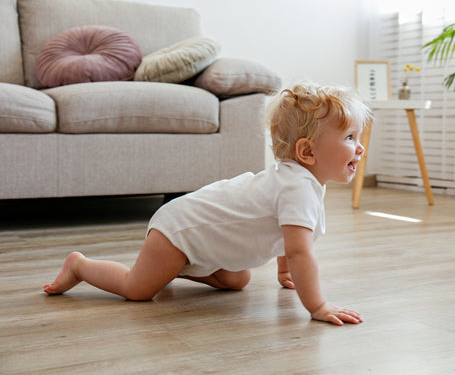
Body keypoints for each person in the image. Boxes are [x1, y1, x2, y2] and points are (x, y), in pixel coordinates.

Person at [44, 82, 372, 326]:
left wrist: (283, 268)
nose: (359, 148)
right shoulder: (297, 187)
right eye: (349, 138)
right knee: (138, 289)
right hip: (179, 228)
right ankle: (81, 266)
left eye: (357, 137)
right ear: (308, 153)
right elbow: (301, 250)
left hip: (201, 236)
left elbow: (288, 239)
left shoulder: (304, 183)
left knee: (236, 280)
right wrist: (317, 306)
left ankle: (170, 269)